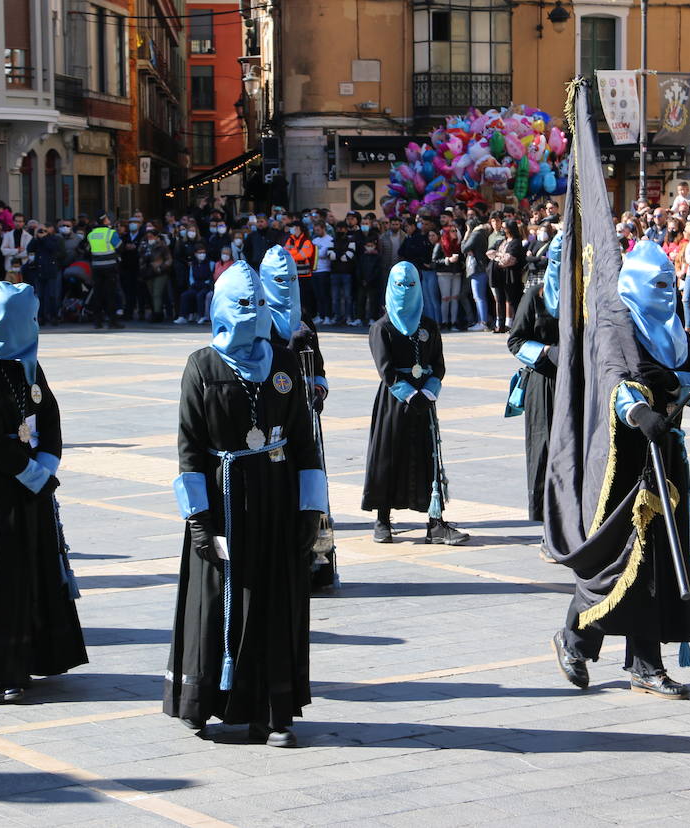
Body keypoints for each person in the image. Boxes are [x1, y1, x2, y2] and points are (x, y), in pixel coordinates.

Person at [166, 262, 326, 747]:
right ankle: (204, 702)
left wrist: (309, 509)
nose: (249, 318)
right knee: (216, 598)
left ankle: (275, 712)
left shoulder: (281, 362)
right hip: (224, 497)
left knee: (276, 602)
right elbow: (189, 446)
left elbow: (303, 440)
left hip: (276, 499)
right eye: (239, 308)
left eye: (256, 308)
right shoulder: (202, 365)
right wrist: (197, 517)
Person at [550, 241, 690, 700]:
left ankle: (646, 665)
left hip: (668, 458)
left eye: (670, 283)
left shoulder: (674, 329)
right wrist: (640, 411)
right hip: (624, 463)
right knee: (618, 559)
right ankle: (575, 638)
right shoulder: (616, 325)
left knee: (660, 562)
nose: (664, 293)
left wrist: (688, 394)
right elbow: (612, 376)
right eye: (655, 284)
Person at [0, 282, 86, 702]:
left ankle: (39, 656)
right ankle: (0, 668)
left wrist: (47, 462)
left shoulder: (29, 366)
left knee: (36, 568)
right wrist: (32, 473)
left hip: (33, 482)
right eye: (28, 318)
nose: (34, 326)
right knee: (1, 575)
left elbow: (50, 415)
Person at [362, 262, 468, 546]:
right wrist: (409, 394)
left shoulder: (429, 325)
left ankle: (435, 522)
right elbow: (386, 369)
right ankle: (382, 518)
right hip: (395, 401)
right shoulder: (381, 327)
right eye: (400, 285)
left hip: (425, 400)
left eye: (411, 285)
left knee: (428, 456)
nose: (405, 291)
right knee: (388, 454)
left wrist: (430, 392)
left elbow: (438, 364)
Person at [259, 245, 335, 591]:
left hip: (306, 415)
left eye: (291, 278)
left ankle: (318, 560)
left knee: (313, 483)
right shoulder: (259, 322)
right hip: (276, 417)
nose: (286, 285)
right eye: (279, 280)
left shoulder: (304, 318)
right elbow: (263, 369)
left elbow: (318, 364)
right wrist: (289, 349)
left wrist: (319, 389)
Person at [507, 232, 562, 525]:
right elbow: (515, 341)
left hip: (575, 383)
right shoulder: (535, 295)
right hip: (542, 382)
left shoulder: (584, 299)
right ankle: (546, 524)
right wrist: (547, 352)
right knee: (543, 450)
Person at [84, 215, 123, 329]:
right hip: (110, 267)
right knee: (111, 294)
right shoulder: (110, 233)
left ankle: (97, 321)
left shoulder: (91, 234)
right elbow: (120, 246)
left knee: (98, 294)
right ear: (104, 220)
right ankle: (112, 321)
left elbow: (87, 249)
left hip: (96, 267)